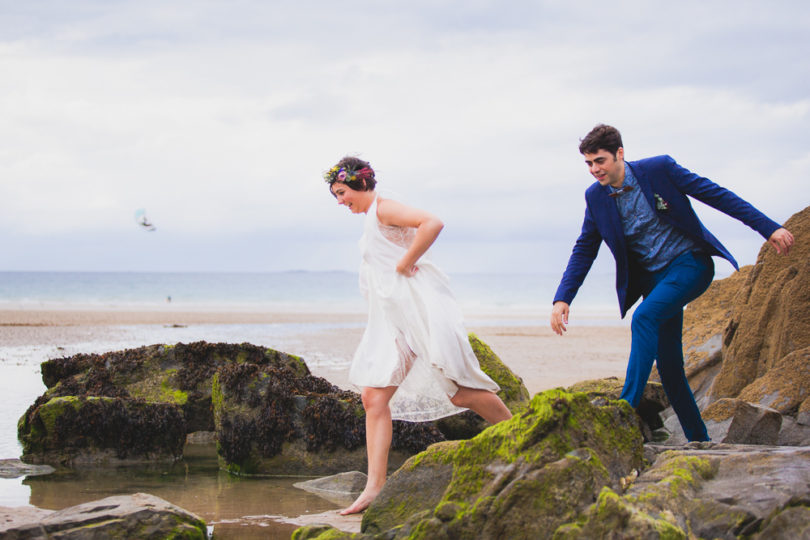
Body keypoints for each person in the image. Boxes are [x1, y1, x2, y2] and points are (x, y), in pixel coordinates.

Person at [551, 124, 794, 442]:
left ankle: (626, 407)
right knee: (668, 367)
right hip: (655, 281)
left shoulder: (659, 170)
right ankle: (699, 439)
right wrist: (563, 297)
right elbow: (585, 248)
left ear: (620, 154)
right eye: (589, 163)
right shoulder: (595, 197)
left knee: (644, 316)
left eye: (600, 161)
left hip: (689, 265)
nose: (594, 169)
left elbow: (717, 195)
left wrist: (768, 228)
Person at [324, 156, 512, 514]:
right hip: (394, 317)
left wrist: (405, 261)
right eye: (335, 195)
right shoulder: (372, 216)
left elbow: (433, 222)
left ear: (359, 184)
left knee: (462, 393)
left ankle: (526, 435)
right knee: (373, 399)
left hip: (419, 311)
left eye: (341, 192)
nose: (339, 201)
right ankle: (374, 486)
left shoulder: (384, 208)